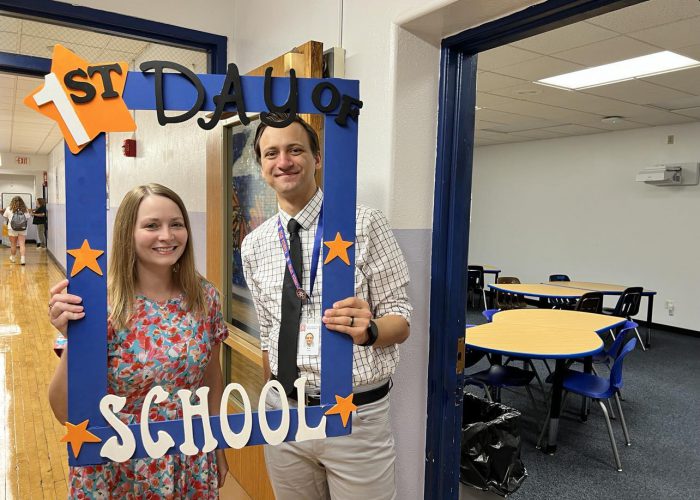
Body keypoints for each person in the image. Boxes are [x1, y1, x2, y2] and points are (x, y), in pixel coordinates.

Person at [241, 113, 412, 499]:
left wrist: (370, 331)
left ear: (316, 159)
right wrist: (276, 391)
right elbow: (269, 330)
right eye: (272, 153)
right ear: (263, 166)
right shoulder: (254, 244)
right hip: (285, 415)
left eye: (295, 149)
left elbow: (402, 320)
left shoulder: (363, 224)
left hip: (355, 415)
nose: (283, 161)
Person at [47, 183, 229, 497]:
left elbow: (211, 377)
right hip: (119, 459)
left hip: (190, 452)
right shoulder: (101, 303)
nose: (167, 236)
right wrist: (76, 341)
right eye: (151, 225)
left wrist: (218, 444)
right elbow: (64, 410)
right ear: (127, 233)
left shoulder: (205, 296)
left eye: (176, 224)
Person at [3, 196, 31, 265]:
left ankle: (13, 258)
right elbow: (27, 218)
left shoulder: (9, 208)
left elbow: (5, 217)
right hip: (23, 228)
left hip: (12, 228)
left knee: (13, 244)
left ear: (12, 202)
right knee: (22, 244)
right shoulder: (25, 209)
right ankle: (23, 259)